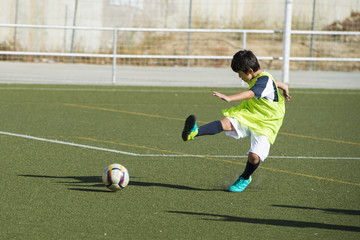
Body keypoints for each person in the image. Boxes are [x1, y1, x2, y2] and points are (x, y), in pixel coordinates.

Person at [181, 50, 291, 193]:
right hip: (251, 113)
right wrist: (285, 87)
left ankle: (245, 177)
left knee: (254, 156)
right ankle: (194, 132)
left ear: (250, 70)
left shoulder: (264, 81)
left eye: (240, 74)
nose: (240, 77)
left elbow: (251, 93)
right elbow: (275, 83)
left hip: (268, 122)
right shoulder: (262, 79)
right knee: (226, 123)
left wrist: (230, 98)